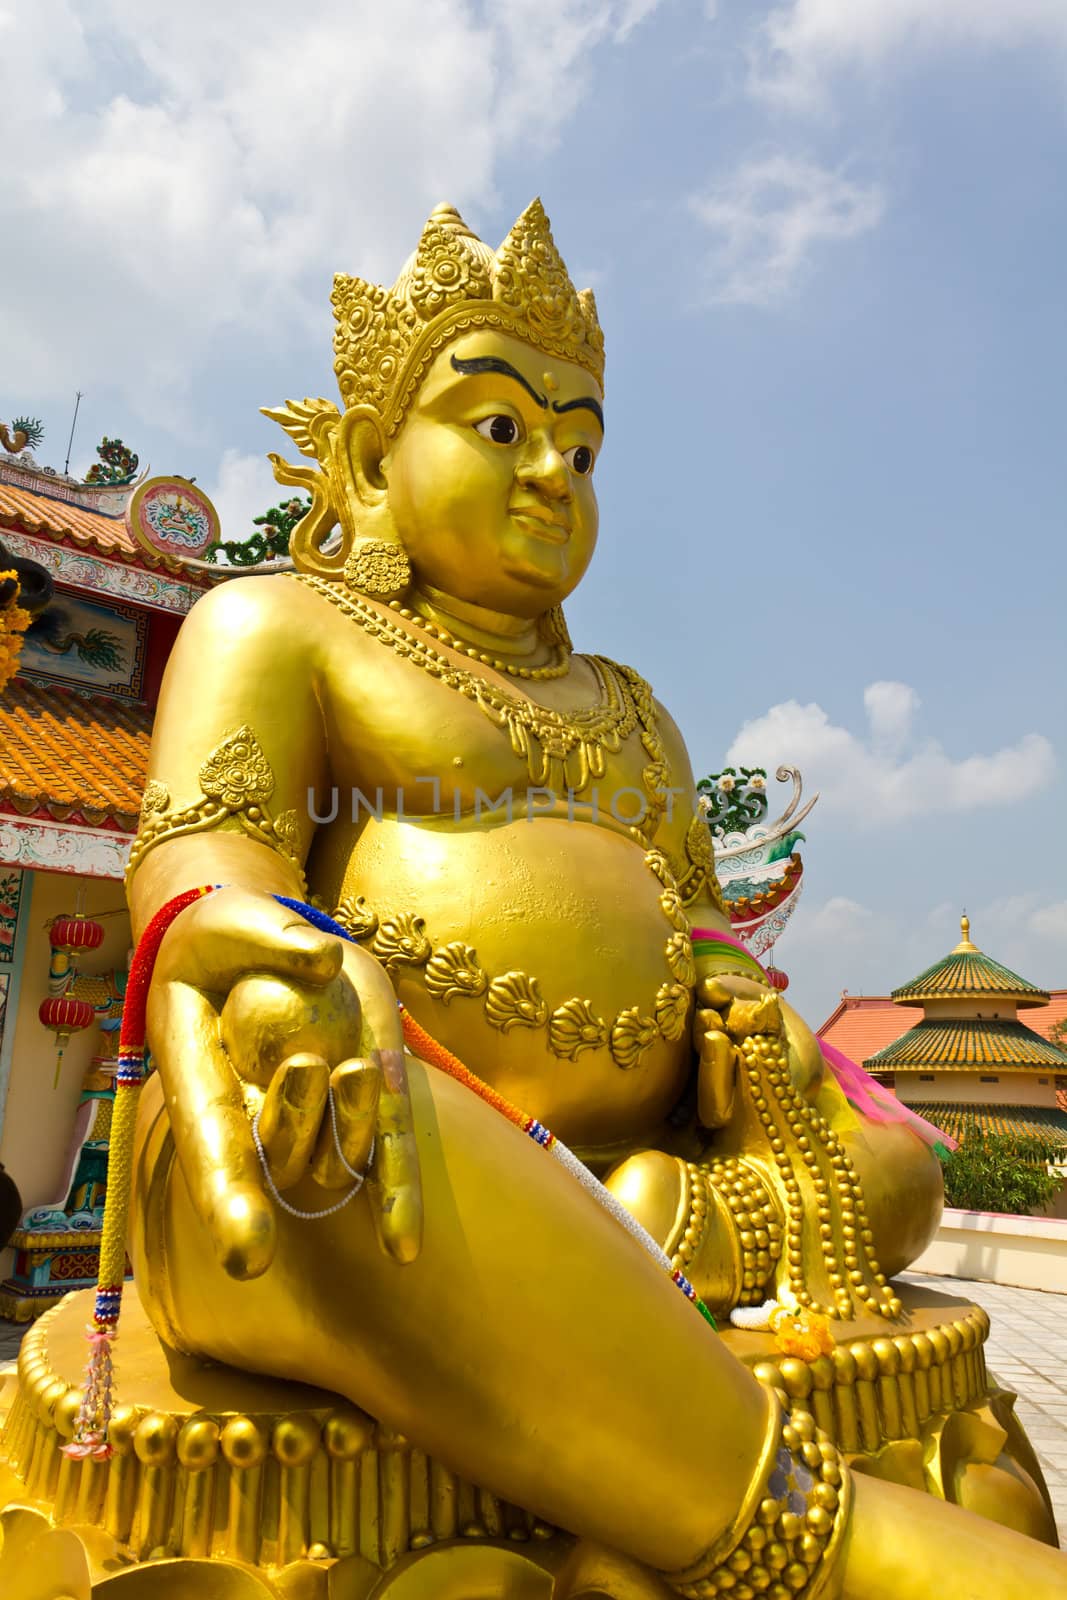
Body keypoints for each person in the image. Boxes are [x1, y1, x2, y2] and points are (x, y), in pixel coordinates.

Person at [125, 202, 1066, 1598]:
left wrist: (732, 1004)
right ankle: (827, 1540)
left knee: (902, 1172)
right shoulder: (280, 625)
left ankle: (637, 1244)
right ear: (375, 460)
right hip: (383, 1109)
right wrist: (247, 944)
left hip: (652, 1158)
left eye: (581, 445)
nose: (554, 473)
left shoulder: (635, 711)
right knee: (325, 1141)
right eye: (499, 427)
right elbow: (206, 842)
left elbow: (690, 921)